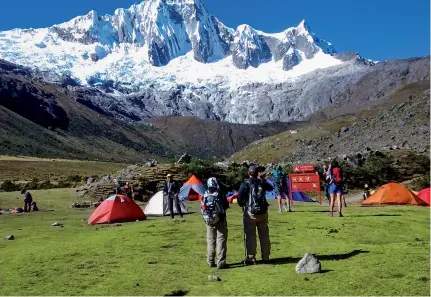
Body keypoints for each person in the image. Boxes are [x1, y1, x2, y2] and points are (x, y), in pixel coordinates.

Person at [238, 165, 274, 264]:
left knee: (250, 236)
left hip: (250, 213)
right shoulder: (262, 182)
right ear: (258, 173)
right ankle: (266, 257)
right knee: (264, 235)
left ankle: (251, 258)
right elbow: (271, 188)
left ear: (249, 173)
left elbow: (239, 198)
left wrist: (242, 204)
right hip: (263, 212)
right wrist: (263, 179)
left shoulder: (245, 183)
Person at [201, 177, 229, 269]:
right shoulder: (220, 193)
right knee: (221, 239)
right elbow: (226, 205)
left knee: (210, 241)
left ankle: (210, 261)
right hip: (220, 219)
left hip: (209, 220)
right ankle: (221, 262)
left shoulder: (205, 194)